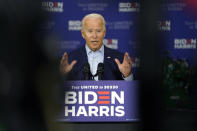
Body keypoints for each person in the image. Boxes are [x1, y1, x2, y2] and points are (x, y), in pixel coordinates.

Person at [60, 13, 133, 80]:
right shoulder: (70, 59)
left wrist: (127, 75)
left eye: (98, 31)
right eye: (90, 31)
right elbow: (60, 91)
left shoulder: (119, 59)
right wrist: (61, 76)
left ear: (104, 33)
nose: (94, 36)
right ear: (83, 34)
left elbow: (129, 91)